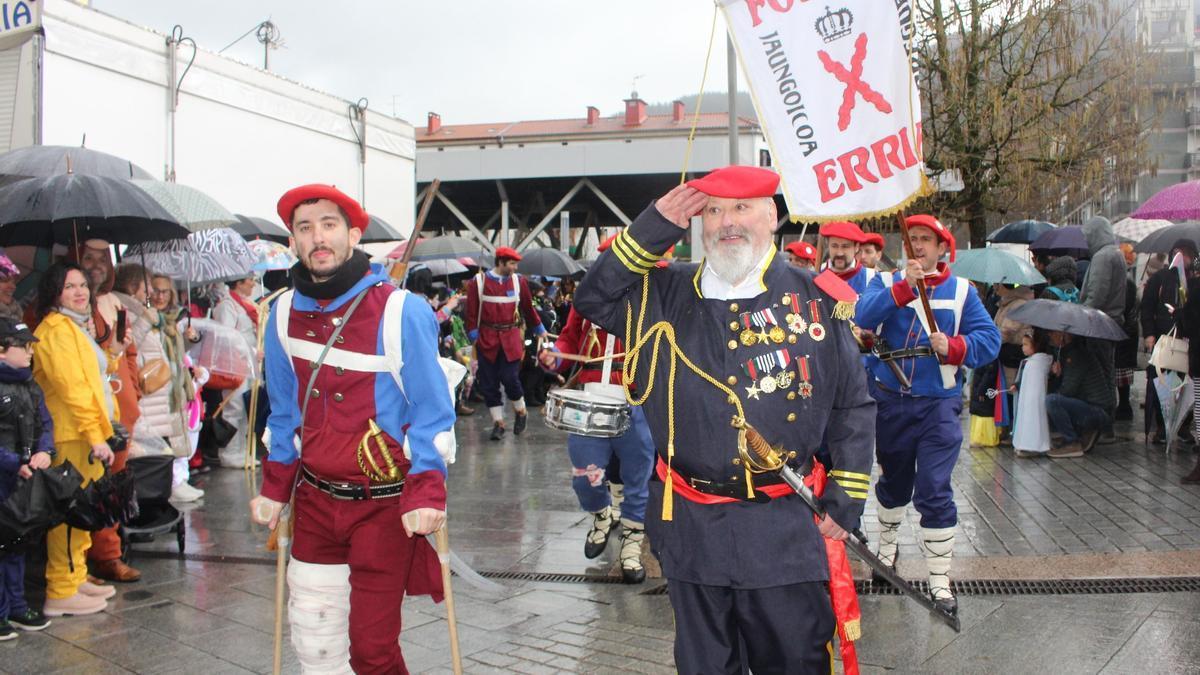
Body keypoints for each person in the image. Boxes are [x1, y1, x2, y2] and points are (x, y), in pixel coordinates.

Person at [575, 166, 876, 673]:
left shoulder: (817, 298)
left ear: (771, 216)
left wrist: (845, 498)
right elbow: (592, 297)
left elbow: (852, 405)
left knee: (795, 661)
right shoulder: (660, 292)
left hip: (784, 525)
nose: (727, 222)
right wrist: (654, 226)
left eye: (741, 207)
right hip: (693, 528)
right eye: (713, 210)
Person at [249, 184, 456, 673]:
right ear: (293, 241)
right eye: (305, 228)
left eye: (329, 225)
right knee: (316, 644)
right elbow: (284, 415)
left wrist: (427, 490)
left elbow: (432, 412)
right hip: (315, 504)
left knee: (372, 651)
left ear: (354, 234)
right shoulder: (281, 314)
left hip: (383, 507)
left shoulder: (402, 311)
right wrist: (275, 487)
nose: (318, 238)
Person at [856, 214, 1001, 616]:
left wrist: (954, 347)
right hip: (891, 400)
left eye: (925, 239)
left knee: (934, 488)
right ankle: (886, 551)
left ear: (941, 248)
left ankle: (939, 580)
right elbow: (863, 316)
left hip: (939, 403)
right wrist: (903, 287)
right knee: (894, 481)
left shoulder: (962, 291)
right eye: (912, 239)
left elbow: (989, 340)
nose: (917, 246)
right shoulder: (886, 282)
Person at [539, 236, 656, 584]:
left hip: (636, 402)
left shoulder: (651, 299)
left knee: (638, 480)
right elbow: (568, 340)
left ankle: (631, 545)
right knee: (584, 477)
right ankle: (602, 514)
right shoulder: (585, 300)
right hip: (590, 401)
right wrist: (555, 357)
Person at [32, 263, 118, 616]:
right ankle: (61, 589)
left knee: (82, 511)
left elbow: (92, 377)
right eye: (69, 286)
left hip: (82, 433)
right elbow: (73, 390)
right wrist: (95, 435)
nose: (79, 292)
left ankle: (75, 575)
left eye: (82, 285)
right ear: (55, 291)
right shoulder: (55, 330)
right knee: (67, 513)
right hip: (71, 434)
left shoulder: (73, 326)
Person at [68, 241, 142, 584]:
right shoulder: (60, 313)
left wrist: (133, 394)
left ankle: (108, 555)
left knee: (113, 487)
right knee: (84, 489)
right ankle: (81, 565)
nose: (97, 265)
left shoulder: (113, 304)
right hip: (85, 418)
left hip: (118, 414)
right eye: (88, 258)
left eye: (103, 259)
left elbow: (129, 352)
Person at [0, 318, 54, 637]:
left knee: (17, 542)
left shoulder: (30, 385)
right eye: (23, 346)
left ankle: (17, 607)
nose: (30, 352)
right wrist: (13, 462)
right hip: (6, 475)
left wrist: (45, 451)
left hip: (23, 477)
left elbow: (45, 423)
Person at [464, 246, 546, 441]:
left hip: (510, 338)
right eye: (511, 263)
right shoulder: (478, 282)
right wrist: (474, 337)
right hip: (487, 339)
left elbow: (527, 308)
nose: (515, 267)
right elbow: (471, 312)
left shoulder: (519, 282)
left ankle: (521, 411)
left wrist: (539, 328)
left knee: (510, 378)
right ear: (500, 262)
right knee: (489, 383)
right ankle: (498, 423)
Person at [1140, 240, 1195, 443]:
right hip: (1164, 340)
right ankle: (1162, 427)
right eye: (1178, 252)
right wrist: (1149, 334)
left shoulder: (1194, 279)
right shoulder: (1160, 278)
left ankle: (1183, 426)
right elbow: (1147, 307)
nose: (1182, 257)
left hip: (1189, 342)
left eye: (1186, 253)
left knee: (1187, 385)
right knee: (1161, 383)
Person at [211, 276, 258, 468]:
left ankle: (242, 451)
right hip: (234, 365)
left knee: (245, 407)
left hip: (249, 364)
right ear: (238, 283)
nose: (253, 283)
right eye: (250, 280)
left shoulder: (246, 304)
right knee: (234, 408)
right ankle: (230, 452)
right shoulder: (227, 306)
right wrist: (251, 351)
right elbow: (227, 337)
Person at [1044, 330, 1114, 458]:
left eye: (1053, 332)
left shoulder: (1076, 356)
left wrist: (1057, 376)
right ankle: (1077, 435)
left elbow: (1067, 391)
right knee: (1052, 400)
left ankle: (1072, 442)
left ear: (1064, 336)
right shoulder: (1069, 354)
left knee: (1051, 401)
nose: (1049, 334)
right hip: (1092, 407)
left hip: (1097, 411)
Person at [1013, 330, 1054, 458]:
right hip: (1028, 398)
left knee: (1032, 416)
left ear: (1036, 345)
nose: (1023, 347)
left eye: (1026, 344)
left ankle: (1031, 444)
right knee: (1030, 415)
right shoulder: (1032, 362)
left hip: (1033, 399)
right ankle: (1028, 443)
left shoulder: (1035, 363)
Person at [820, 220, 875, 294]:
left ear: (856, 247)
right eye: (834, 246)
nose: (839, 253)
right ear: (828, 246)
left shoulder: (871, 277)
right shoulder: (817, 272)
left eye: (845, 247)